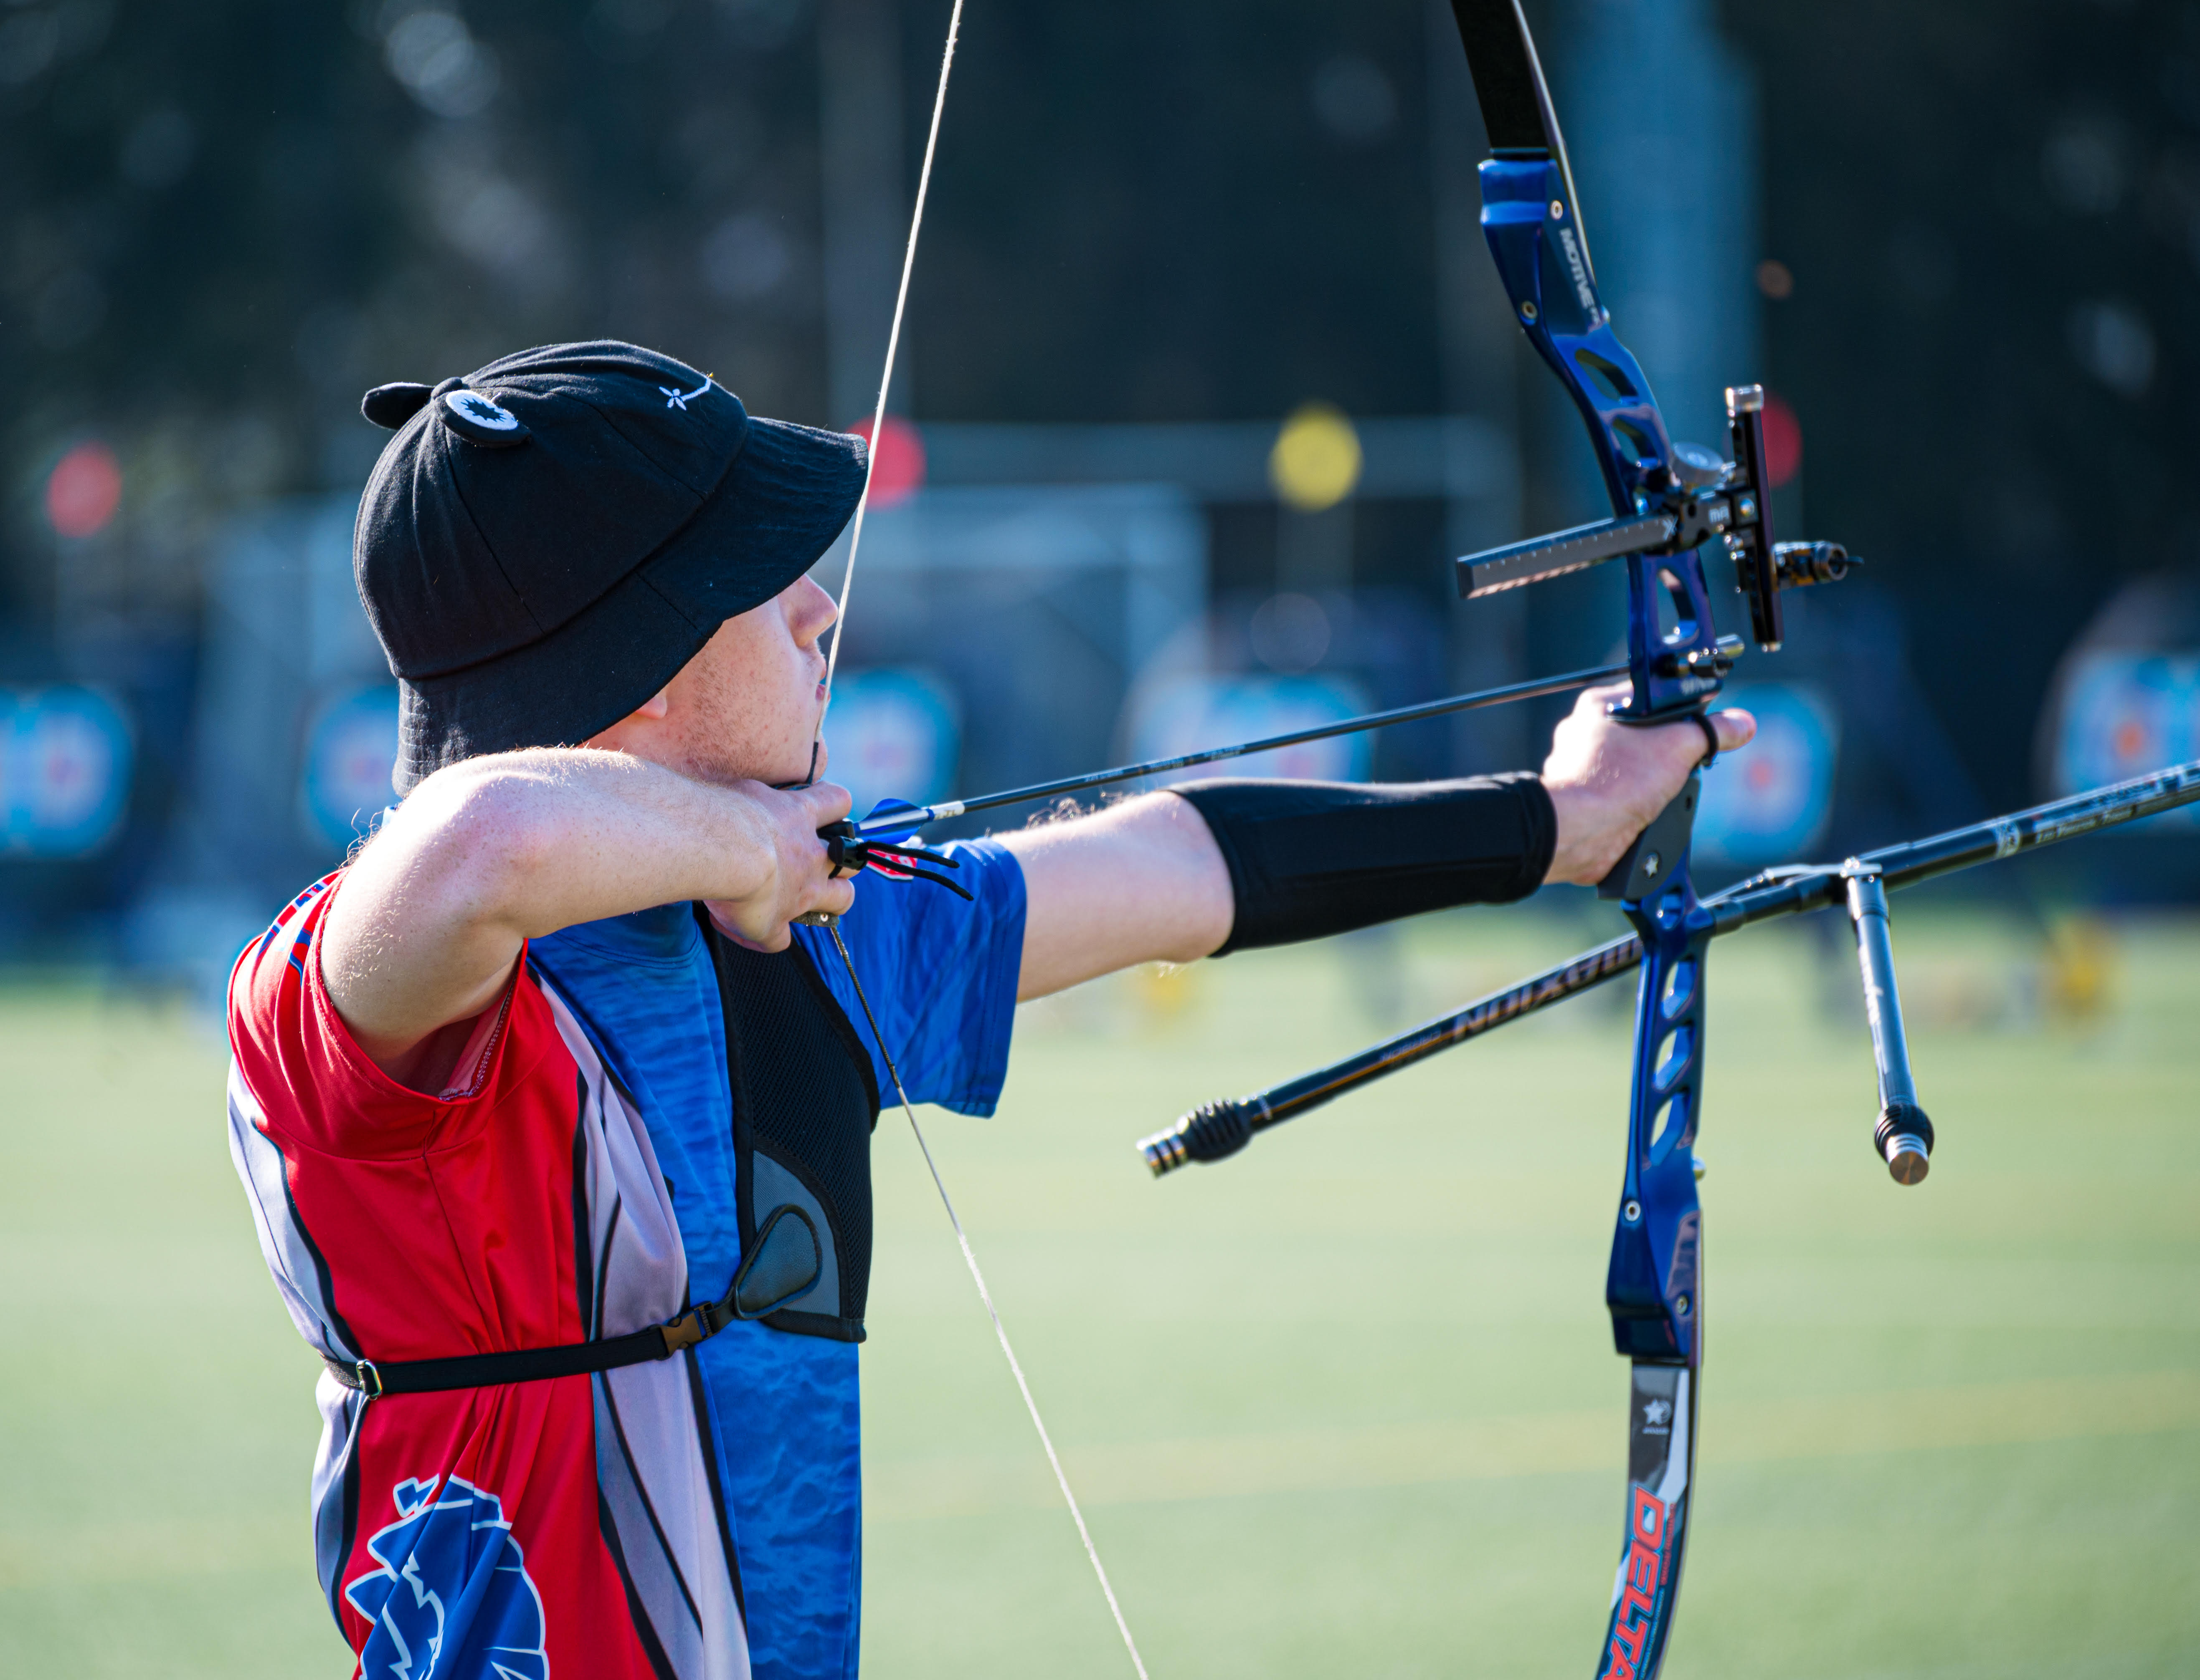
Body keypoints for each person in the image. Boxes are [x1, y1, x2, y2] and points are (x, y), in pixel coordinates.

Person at [224, 341, 1753, 1680]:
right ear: (636, 656)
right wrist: (744, 844)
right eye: (763, 587)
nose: (821, 609)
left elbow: (1164, 861)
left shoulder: (804, 927)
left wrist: (1553, 823)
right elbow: (477, 840)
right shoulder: (346, 1007)